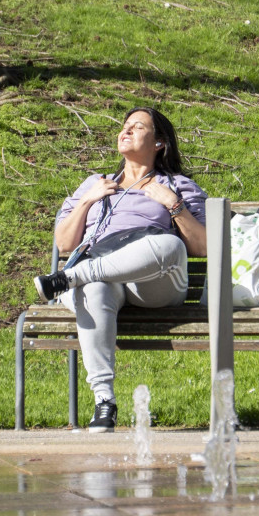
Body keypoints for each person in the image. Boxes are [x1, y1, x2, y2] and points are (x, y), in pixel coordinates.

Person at [33, 107, 208, 433]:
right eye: (124, 126)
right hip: (101, 277)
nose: (125, 131)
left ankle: (70, 278)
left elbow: (203, 246)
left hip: (154, 282)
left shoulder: (177, 185)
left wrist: (174, 205)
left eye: (137, 127)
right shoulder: (95, 184)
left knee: (172, 246)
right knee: (94, 286)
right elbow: (65, 242)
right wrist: (88, 200)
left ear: (159, 143)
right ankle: (104, 402)